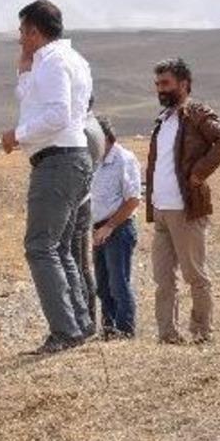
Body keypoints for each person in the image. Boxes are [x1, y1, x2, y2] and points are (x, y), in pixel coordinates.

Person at [0, 0, 94, 353]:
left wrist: (17, 136)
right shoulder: (66, 60)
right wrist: (24, 68)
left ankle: (65, 331)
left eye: (22, 32)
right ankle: (80, 324)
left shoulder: (54, 62)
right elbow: (33, 98)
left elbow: (57, 115)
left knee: (40, 247)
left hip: (58, 160)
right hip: (70, 158)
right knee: (61, 248)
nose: (19, 38)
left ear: (35, 31)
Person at [147, 58, 220, 345]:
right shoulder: (163, 121)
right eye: (157, 84)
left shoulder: (195, 114)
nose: (160, 89)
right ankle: (167, 334)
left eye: (166, 83)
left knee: (194, 275)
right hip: (161, 210)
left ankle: (201, 332)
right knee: (163, 280)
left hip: (185, 210)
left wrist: (199, 173)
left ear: (183, 84)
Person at [90, 116, 142, 338]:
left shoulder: (124, 159)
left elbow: (133, 200)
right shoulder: (96, 162)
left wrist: (109, 226)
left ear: (106, 138)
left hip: (118, 229)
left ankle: (125, 330)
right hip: (98, 229)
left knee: (118, 283)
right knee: (102, 285)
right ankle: (109, 329)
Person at [74, 100, 108, 333]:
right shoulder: (92, 125)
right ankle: (86, 320)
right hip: (83, 201)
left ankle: (84, 322)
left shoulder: (84, 129)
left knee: (77, 265)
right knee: (80, 264)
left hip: (77, 202)